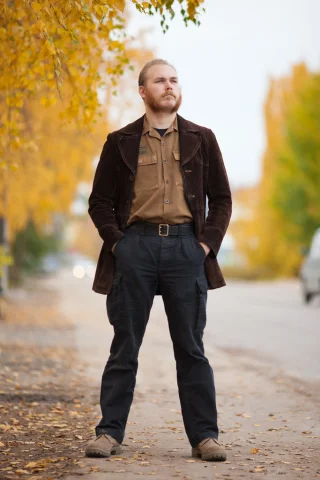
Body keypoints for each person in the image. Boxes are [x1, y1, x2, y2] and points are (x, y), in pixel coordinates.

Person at [85, 59, 232, 462]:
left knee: (191, 347)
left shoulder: (203, 138)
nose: (168, 86)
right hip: (136, 249)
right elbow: (98, 202)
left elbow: (221, 199)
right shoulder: (120, 141)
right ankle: (108, 433)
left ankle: (205, 436)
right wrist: (119, 245)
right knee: (124, 346)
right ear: (143, 91)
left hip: (186, 249)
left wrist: (204, 246)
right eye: (159, 81)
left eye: (173, 80)